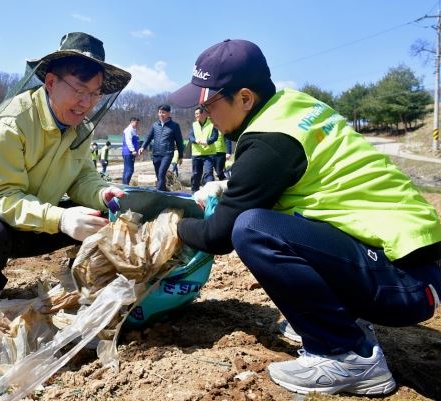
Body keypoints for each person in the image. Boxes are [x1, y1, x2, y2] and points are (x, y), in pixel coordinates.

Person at [170, 38, 441, 396]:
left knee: (252, 229)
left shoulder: (268, 142)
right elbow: (290, 176)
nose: (203, 115)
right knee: (274, 219)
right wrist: (228, 185)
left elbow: (217, 236)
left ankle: (346, 354)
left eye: (209, 104)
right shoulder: (293, 107)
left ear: (246, 98)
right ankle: (342, 320)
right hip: (418, 262)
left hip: (404, 284)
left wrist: (173, 224)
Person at [0, 32, 130, 296]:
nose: (86, 103)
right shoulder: (11, 122)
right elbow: (2, 197)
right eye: (80, 90)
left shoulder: (80, 128)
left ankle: (80, 274)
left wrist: (102, 193)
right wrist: (62, 218)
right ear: (51, 82)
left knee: (101, 217)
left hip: (37, 219)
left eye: (95, 94)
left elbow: (82, 178)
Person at [139, 104, 184, 191]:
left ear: (168, 113)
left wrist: (180, 156)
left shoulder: (174, 126)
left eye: (163, 112)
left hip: (167, 154)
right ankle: (163, 191)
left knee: (161, 174)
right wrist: (143, 147)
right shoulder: (155, 125)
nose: (161, 114)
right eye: (159, 112)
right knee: (159, 176)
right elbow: (148, 137)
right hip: (156, 154)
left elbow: (179, 141)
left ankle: (158, 194)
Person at [188, 107, 218, 191]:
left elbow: (215, 136)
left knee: (208, 173)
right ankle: (194, 191)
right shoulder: (194, 124)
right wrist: (195, 140)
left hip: (209, 154)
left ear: (203, 114)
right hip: (196, 153)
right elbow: (190, 136)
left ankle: (210, 192)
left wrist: (207, 142)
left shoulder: (212, 123)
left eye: (198, 114)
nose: (196, 115)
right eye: (195, 114)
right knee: (196, 174)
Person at [122, 117, 140, 185]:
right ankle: (125, 185)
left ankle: (124, 184)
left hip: (130, 153)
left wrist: (137, 150)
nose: (137, 124)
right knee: (129, 170)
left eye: (138, 123)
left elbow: (136, 141)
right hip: (128, 152)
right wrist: (132, 150)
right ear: (132, 122)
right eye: (136, 122)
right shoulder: (129, 130)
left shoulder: (133, 130)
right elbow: (128, 141)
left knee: (127, 170)